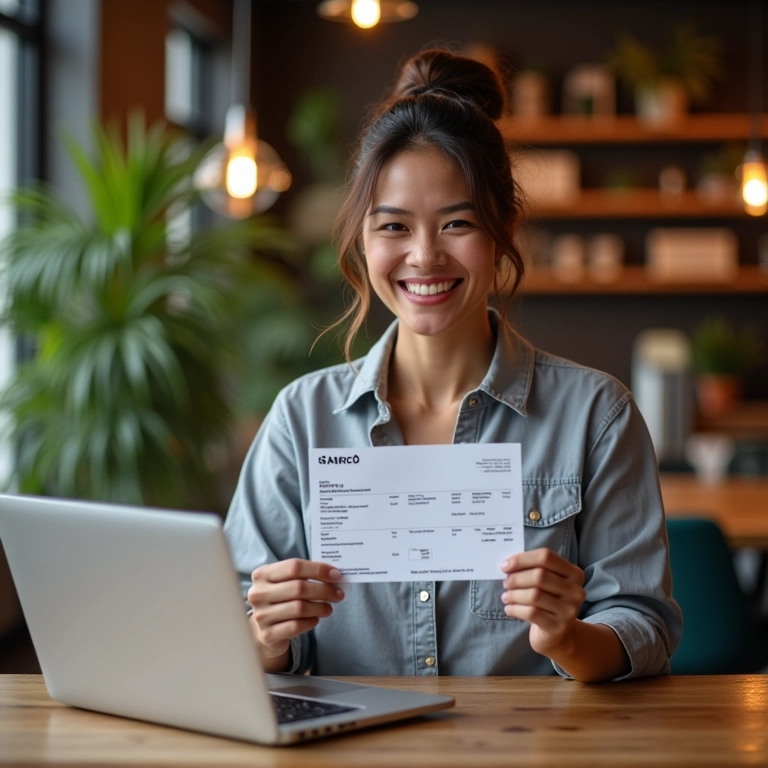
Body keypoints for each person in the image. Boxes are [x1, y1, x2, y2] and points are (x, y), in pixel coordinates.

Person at [224, 48, 682, 683]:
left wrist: (567, 637)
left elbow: (645, 624)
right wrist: (266, 634)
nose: (424, 256)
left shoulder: (596, 415)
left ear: (503, 229)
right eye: (393, 227)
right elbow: (232, 633)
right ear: (362, 236)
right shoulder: (301, 419)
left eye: (457, 223)